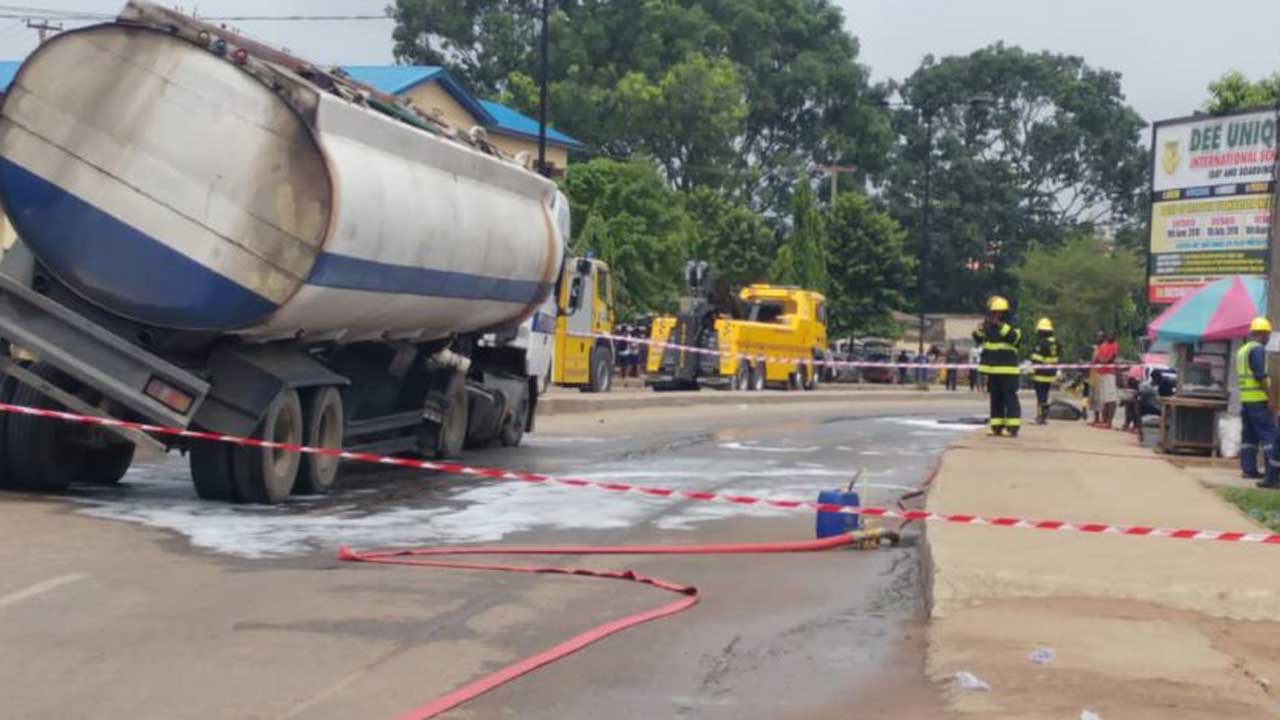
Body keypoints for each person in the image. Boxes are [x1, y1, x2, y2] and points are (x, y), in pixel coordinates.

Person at [1238, 317, 1280, 489]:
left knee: (1249, 438)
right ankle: (1273, 475)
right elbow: (1260, 376)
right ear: (1263, 334)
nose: (1269, 337)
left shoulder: (1243, 350)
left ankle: (1248, 469)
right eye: (1268, 334)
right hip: (1258, 400)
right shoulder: (1257, 350)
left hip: (1246, 401)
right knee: (1270, 437)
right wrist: (1271, 399)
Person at [973, 295, 1022, 436]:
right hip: (992, 370)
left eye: (999, 312)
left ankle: (1013, 427)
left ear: (1005, 312)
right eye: (994, 312)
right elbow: (978, 339)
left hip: (1008, 370)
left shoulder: (1013, 323)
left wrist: (1001, 326)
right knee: (996, 398)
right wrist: (982, 328)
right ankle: (997, 426)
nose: (996, 315)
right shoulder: (988, 325)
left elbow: (1015, 339)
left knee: (1010, 398)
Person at [1029, 318, 1060, 424]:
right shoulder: (1056, 342)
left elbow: (1036, 360)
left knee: (1040, 396)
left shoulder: (1041, 343)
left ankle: (1041, 417)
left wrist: (1031, 371)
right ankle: (1043, 416)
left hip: (1040, 374)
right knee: (1045, 395)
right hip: (1051, 373)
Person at [1094, 331, 1119, 428]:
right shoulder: (1103, 345)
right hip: (1101, 373)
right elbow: (1097, 358)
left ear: (1115, 337)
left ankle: (1109, 422)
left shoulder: (1114, 346)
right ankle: (1104, 421)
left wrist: (1102, 360)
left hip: (1110, 374)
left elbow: (1110, 360)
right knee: (1104, 399)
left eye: (1111, 335)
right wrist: (1102, 360)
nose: (1109, 336)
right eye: (1108, 335)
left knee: (1111, 399)